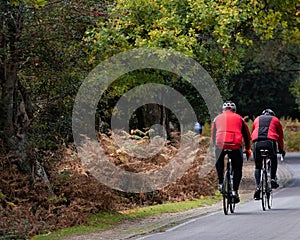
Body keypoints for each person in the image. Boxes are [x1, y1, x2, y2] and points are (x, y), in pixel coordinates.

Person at [212, 101, 252, 203]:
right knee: (237, 167)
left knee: (219, 160)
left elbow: (213, 135)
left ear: (223, 110)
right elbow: (247, 136)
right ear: (234, 110)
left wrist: (215, 146)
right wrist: (247, 149)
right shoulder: (240, 118)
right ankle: (234, 190)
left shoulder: (216, 118)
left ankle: (221, 182)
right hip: (235, 145)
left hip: (220, 144)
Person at [251, 109, 285, 200]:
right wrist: (281, 149)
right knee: (273, 158)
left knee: (258, 166)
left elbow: (253, 132)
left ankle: (258, 186)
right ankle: (273, 178)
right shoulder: (275, 120)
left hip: (257, 142)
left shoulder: (257, 119)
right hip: (270, 142)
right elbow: (280, 137)